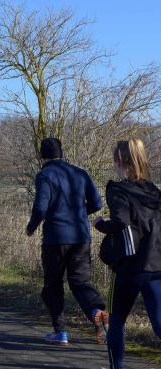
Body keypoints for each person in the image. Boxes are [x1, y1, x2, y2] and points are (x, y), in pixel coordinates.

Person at [93, 138, 161, 369]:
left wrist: (101, 224)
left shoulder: (118, 190)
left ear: (120, 161)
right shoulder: (154, 191)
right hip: (157, 266)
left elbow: (120, 222)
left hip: (130, 267)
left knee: (117, 321)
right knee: (159, 323)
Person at [26, 137, 108, 346]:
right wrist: (78, 213)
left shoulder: (44, 175)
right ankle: (96, 311)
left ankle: (60, 332)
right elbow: (97, 203)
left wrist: (31, 227)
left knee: (53, 285)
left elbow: (41, 207)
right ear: (61, 153)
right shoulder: (80, 173)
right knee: (81, 282)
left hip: (56, 238)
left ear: (41, 155)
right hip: (81, 236)